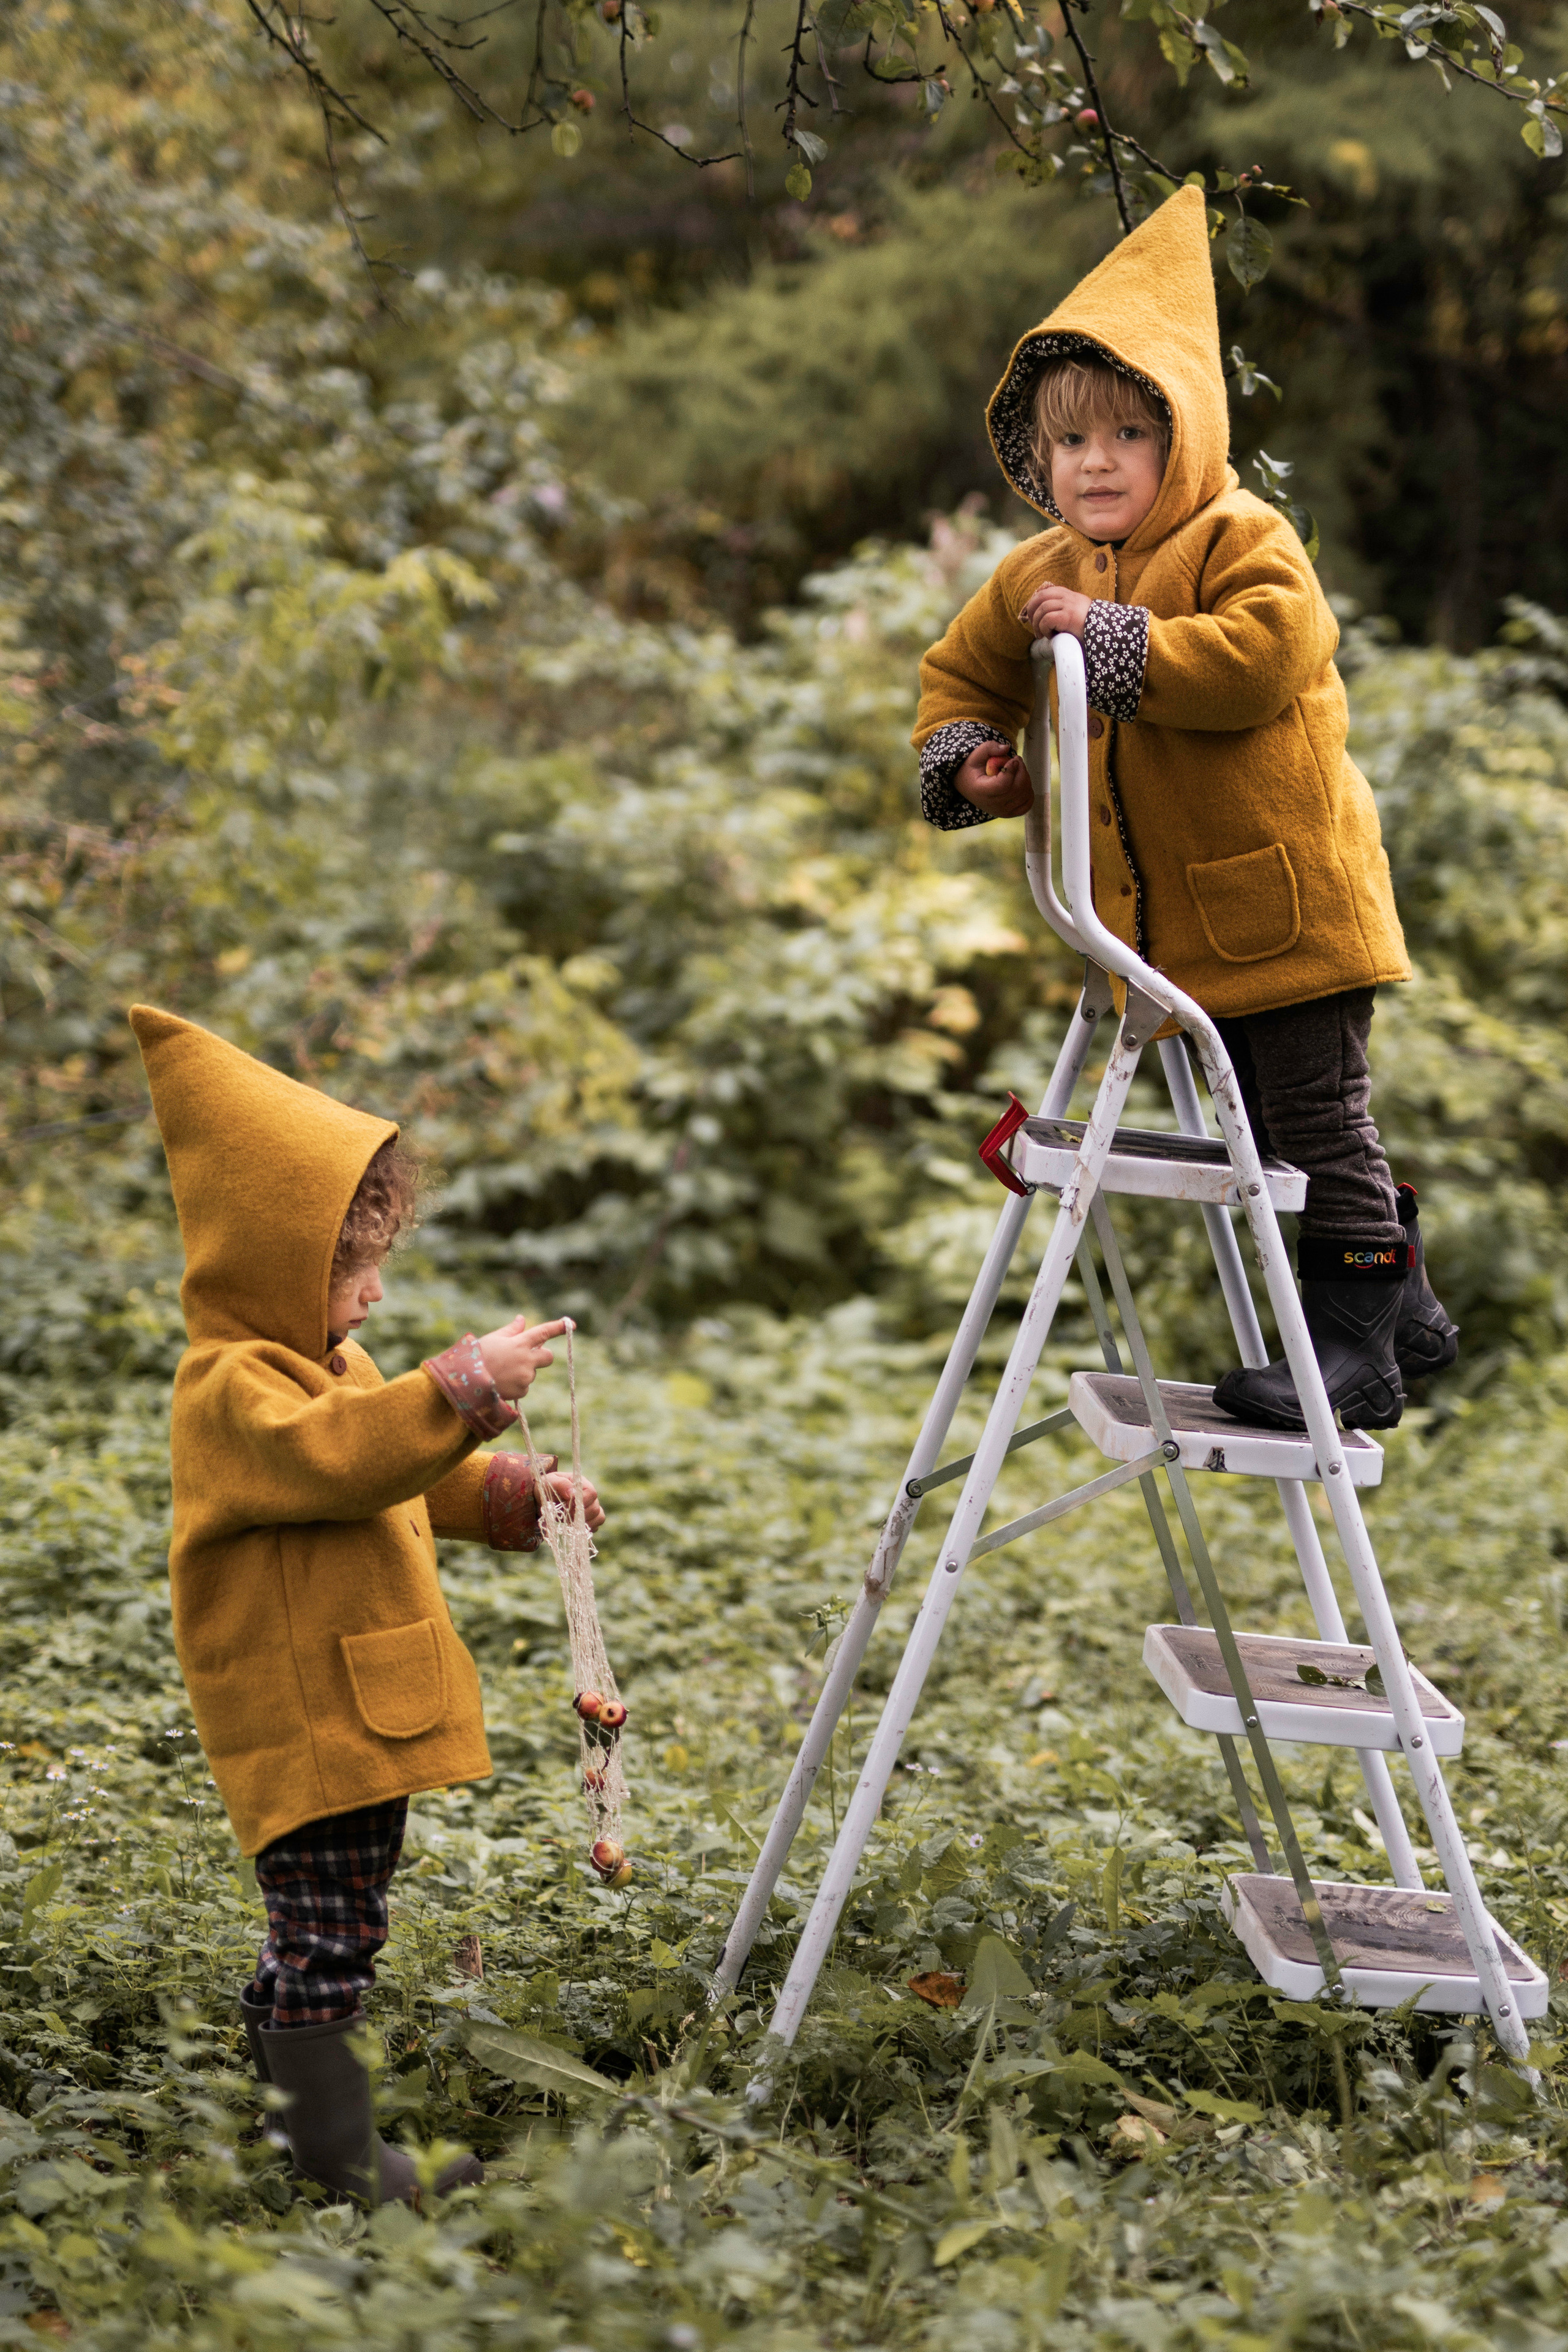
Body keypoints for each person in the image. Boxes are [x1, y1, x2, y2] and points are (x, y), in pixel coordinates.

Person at [912, 186, 1457, 1431]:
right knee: (1270, 1131)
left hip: (1286, 906)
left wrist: (1108, 640)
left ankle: (1357, 1351)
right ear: (1032, 456)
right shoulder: (1033, 574)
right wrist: (966, 756)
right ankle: (1401, 1298)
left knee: (1315, 1125)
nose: (1091, 463)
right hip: (1170, 941)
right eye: (1065, 443)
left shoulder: (1238, 537)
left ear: (1184, 436)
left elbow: (1258, 657)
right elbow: (959, 672)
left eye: (1122, 434)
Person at [130, 1004, 605, 2204]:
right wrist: (460, 1384)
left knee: (335, 1923)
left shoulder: (328, 1369)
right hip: (306, 1722)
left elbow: (402, 1469)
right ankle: (339, 2170)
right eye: (356, 1268)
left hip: (355, 1708)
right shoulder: (232, 1390)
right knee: (327, 1933)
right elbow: (345, 1458)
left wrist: (514, 1491)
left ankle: (310, 2140)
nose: (377, 1297)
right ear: (267, 1258)